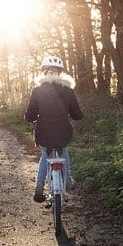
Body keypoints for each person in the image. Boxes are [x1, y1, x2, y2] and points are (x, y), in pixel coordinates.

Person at [24, 56, 84, 203]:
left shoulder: (37, 91)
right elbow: (77, 115)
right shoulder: (68, 90)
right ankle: (68, 180)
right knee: (63, 150)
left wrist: (30, 118)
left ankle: (39, 185)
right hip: (63, 130)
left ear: (44, 72)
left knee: (45, 154)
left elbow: (30, 115)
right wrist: (74, 114)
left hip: (43, 131)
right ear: (60, 73)